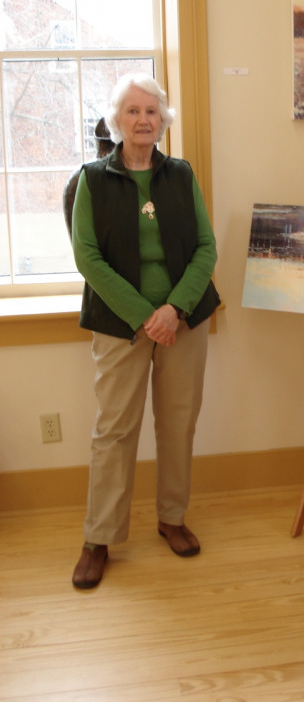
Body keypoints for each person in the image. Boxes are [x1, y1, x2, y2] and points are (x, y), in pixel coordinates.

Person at [71, 73, 220, 589]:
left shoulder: (180, 175)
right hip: (120, 323)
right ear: (116, 120)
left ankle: (172, 518)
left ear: (163, 121)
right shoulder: (92, 179)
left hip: (182, 320)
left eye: (152, 111)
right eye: (132, 111)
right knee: (114, 429)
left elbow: (207, 247)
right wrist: (143, 315)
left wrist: (174, 309)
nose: (143, 120)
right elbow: (87, 258)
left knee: (178, 422)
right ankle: (99, 537)